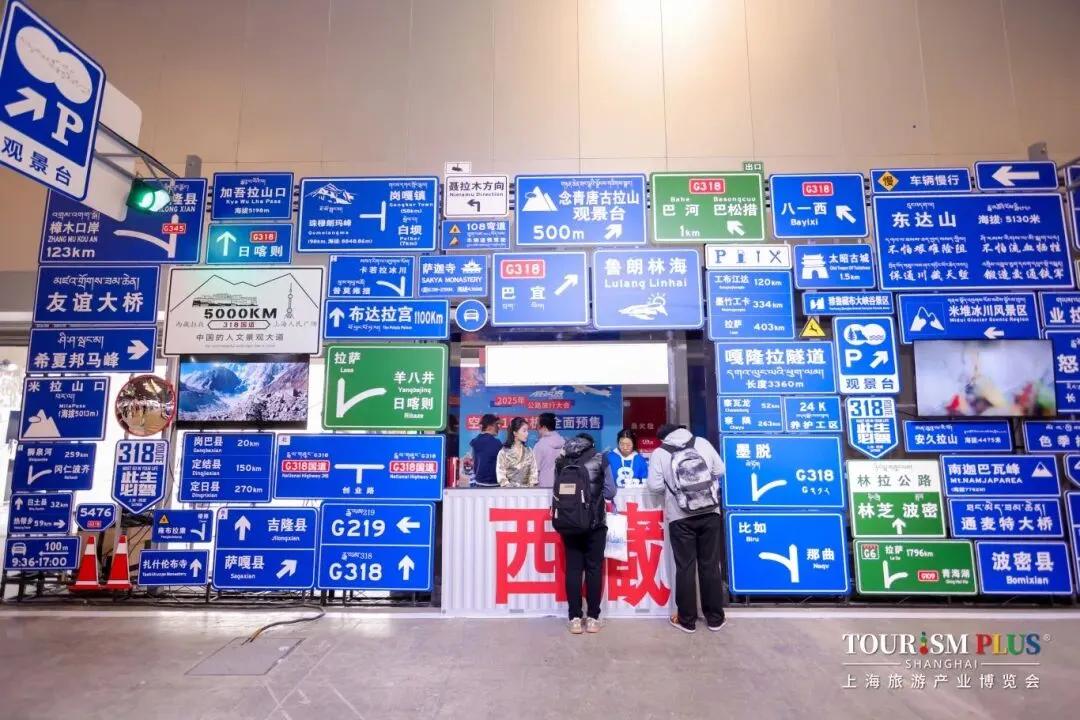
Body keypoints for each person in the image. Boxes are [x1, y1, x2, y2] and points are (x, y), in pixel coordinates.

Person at [646, 423, 726, 634]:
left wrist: (676, 489)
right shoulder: (702, 443)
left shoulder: (660, 453)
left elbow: (654, 486)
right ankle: (715, 619)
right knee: (710, 566)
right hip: (710, 512)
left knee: (685, 568)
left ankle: (687, 620)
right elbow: (720, 470)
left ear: (663, 438)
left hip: (680, 516)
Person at [552, 433, 616, 634]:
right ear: (591, 445)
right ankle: (593, 618)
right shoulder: (600, 459)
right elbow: (610, 492)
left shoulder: (561, 461)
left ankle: (575, 619)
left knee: (573, 569)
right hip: (594, 523)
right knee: (593, 569)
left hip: (569, 522)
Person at [496, 416, 538, 487]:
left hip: (528, 491)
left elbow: (533, 472)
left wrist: (531, 486)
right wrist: (510, 487)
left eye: (527, 431)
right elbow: (501, 475)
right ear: (515, 433)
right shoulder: (503, 452)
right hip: (509, 492)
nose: (527, 433)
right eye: (524, 431)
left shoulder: (529, 451)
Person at [532, 412, 565, 488]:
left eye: (537, 426)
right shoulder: (564, 442)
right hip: (561, 487)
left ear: (544, 427)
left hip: (544, 488)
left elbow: (534, 470)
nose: (536, 428)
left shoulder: (540, 445)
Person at [469, 414, 502, 487]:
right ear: (490, 426)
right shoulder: (497, 443)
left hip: (478, 483)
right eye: (496, 425)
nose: (498, 428)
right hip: (493, 484)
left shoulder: (474, 442)